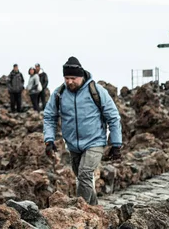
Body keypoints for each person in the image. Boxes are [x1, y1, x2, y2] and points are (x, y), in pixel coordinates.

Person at [43, 57, 122, 206]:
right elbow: (49, 116)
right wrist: (49, 139)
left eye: (73, 78)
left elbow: (113, 117)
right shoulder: (59, 93)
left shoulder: (96, 91)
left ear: (81, 76)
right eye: (66, 78)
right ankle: (95, 211)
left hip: (95, 142)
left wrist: (116, 144)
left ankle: (80, 210)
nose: (69, 81)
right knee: (81, 178)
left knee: (85, 174)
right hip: (73, 145)